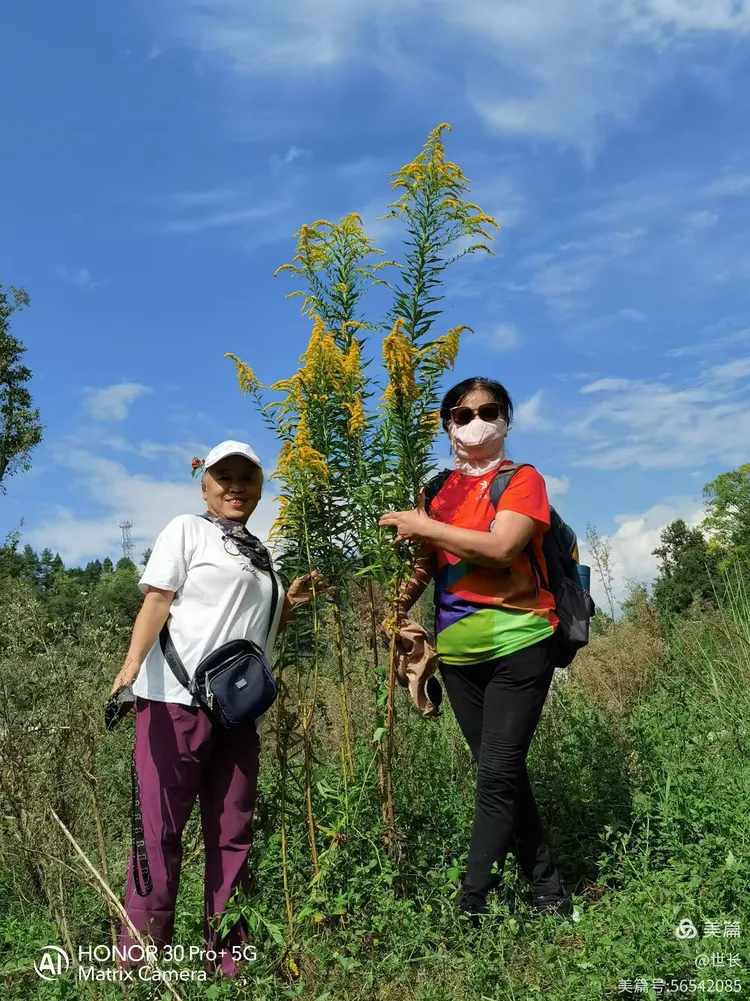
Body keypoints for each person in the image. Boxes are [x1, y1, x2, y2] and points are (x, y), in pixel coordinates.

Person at [110, 441, 325, 977]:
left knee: (232, 835)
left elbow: (252, 630)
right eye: (223, 477)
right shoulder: (187, 529)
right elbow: (158, 599)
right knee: (159, 834)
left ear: (258, 489)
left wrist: (287, 603)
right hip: (173, 703)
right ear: (204, 486)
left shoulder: (262, 554)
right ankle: (139, 962)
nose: (235, 487)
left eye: (246, 479)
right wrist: (130, 667)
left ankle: (229, 963)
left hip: (238, 714)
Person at [378, 378, 575, 922]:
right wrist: (394, 610)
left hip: (520, 640)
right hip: (459, 656)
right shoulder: (437, 491)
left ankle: (470, 906)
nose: (476, 422)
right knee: (502, 771)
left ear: (506, 419)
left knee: (494, 775)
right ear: (448, 426)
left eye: (489, 411)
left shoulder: (522, 480)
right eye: (462, 415)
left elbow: (502, 547)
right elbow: (427, 559)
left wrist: (424, 526)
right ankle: (550, 894)